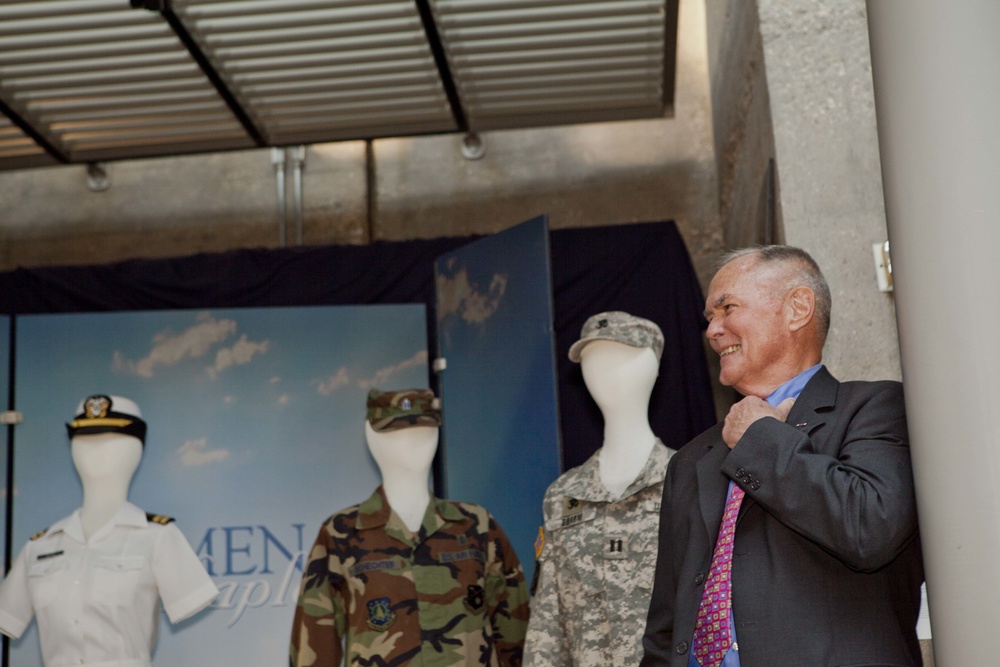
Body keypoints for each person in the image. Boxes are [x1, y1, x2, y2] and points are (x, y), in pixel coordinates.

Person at [640, 246, 923, 667]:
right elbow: (666, 623)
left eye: (727, 308)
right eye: (709, 318)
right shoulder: (691, 459)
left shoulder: (877, 407)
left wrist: (759, 436)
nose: (713, 330)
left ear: (798, 308)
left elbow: (870, 528)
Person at [289, 388, 530, 667]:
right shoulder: (341, 534)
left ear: (437, 436)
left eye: (422, 434)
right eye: (394, 435)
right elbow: (314, 647)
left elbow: (516, 636)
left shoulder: (476, 526)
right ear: (371, 437)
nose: (410, 446)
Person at [0, 394, 219, 667]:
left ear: (137, 450)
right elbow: (9, 618)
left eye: (112, 442)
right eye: (85, 441)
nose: (95, 452)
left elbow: (189, 599)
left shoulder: (158, 536)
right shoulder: (39, 547)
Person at [525, 311, 674, 667]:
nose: (603, 371)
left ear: (653, 365)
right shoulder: (564, 495)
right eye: (593, 360)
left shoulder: (687, 479)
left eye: (621, 356)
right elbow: (548, 618)